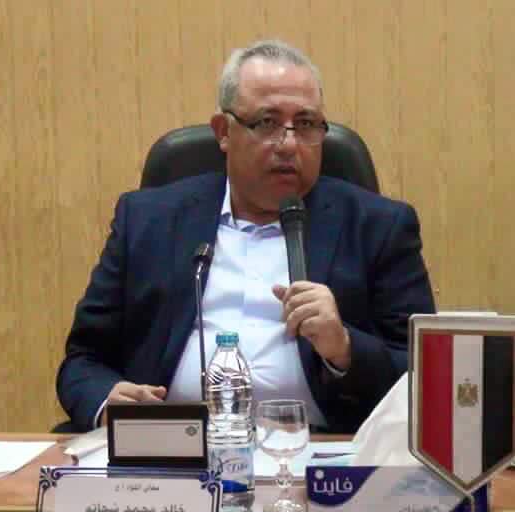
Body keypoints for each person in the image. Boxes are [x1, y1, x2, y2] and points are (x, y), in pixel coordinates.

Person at [56, 39, 435, 433]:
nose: (289, 144)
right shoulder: (148, 220)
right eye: (267, 123)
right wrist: (107, 402)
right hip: (173, 449)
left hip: (318, 451)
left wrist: (345, 349)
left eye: (306, 124)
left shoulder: (378, 227)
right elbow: (83, 360)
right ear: (223, 131)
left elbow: (422, 373)